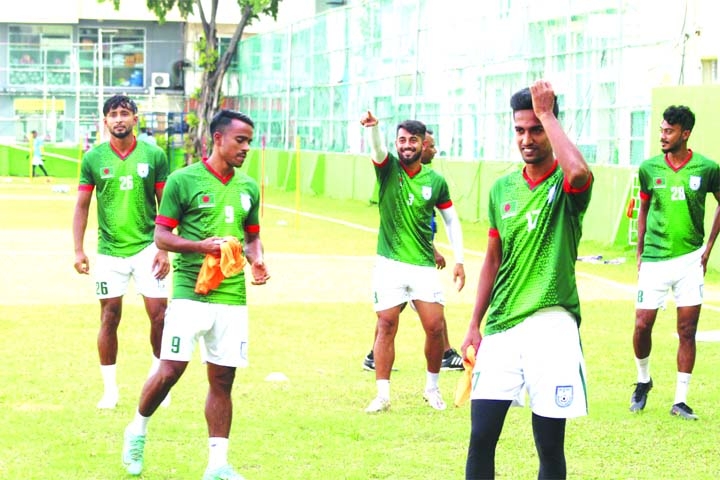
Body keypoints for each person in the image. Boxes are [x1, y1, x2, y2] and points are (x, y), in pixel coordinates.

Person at [121, 110, 270, 480]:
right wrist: (201, 247)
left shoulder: (248, 187)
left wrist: (258, 261)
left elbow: (251, 236)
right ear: (217, 138)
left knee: (223, 381)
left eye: (249, 141)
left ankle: (217, 465)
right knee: (171, 370)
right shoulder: (183, 180)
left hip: (232, 298)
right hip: (190, 294)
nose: (246, 148)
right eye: (240, 140)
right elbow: (162, 237)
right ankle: (137, 429)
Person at [462, 80, 593, 479]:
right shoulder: (502, 188)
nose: (527, 139)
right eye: (520, 130)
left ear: (551, 128)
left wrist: (547, 113)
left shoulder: (566, 185)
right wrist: (473, 324)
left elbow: (579, 172)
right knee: (481, 435)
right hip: (503, 327)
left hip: (552, 324)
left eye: (535, 129)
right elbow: (492, 258)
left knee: (549, 445)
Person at [360, 112, 466, 413]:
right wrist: (374, 129)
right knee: (386, 324)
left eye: (413, 140)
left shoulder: (436, 181)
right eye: (402, 140)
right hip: (389, 264)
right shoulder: (387, 169)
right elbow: (377, 150)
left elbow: (451, 220)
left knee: (434, 327)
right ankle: (382, 395)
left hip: (422, 266)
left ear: (423, 144)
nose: (407, 145)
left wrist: (459, 260)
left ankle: (432, 389)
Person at [72, 94, 171, 409]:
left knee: (159, 316)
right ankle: (110, 391)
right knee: (109, 316)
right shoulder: (93, 159)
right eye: (112, 114)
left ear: (135, 119)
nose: (118, 119)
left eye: (124, 113)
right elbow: (82, 207)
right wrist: (78, 250)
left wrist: (164, 249)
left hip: (148, 248)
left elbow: (166, 207)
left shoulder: (154, 155)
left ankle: (159, 385)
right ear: (105, 121)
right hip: (110, 252)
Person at [630, 105, 720, 421]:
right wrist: (640, 251)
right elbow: (643, 209)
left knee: (687, 329)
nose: (662, 136)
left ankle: (680, 400)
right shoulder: (648, 168)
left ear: (685, 133)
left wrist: (708, 249)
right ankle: (643, 380)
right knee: (642, 324)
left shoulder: (708, 169)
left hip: (690, 261)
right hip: (654, 260)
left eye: (669, 131)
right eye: (661, 130)